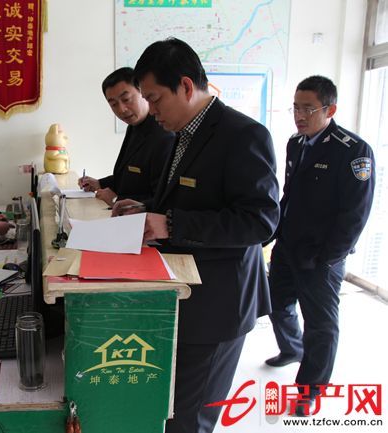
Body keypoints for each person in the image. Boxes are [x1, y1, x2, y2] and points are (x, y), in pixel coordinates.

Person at [112, 38, 280, 433]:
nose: (151, 110)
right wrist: (148, 209)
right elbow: (190, 197)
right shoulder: (182, 133)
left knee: (190, 420)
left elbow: (260, 221)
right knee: (170, 409)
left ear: (186, 86)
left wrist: (172, 224)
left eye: (155, 99)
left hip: (219, 303)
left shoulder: (243, 134)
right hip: (184, 293)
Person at [265, 76, 375, 415]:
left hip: (321, 255)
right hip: (288, 246)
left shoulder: (353, 151)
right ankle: (292, 349)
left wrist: (329, 258)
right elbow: (289, 196)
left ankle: (310, 390)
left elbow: (355, 214)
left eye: (308, 109)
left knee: (321, 325)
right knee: (276, 303)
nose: (299, 116)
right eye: (295, 108)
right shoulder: (295, 143)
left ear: (330, 110)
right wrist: (271, 233)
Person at [78, 67, 175, 206]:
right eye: (114, 104)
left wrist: (116, 200)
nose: (121, 109)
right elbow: (127, 177)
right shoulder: (134, 126)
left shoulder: (164, 136)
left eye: (126, 99)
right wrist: (99, 183)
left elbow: (161, 199)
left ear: (143, 92)